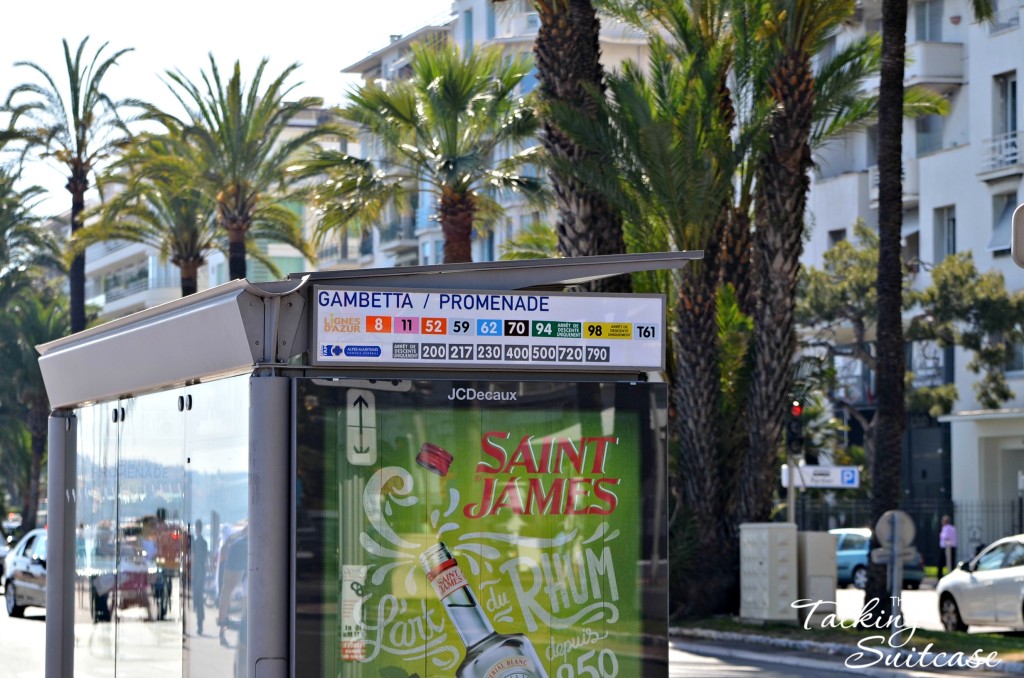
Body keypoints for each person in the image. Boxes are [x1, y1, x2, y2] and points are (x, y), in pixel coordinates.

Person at [192, 519, 209, 635]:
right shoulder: (205, 542)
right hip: (202, 573)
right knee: (199, 597)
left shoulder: (195, 542)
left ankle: (200, 623)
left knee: (197, 598)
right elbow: (206, 559)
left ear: (197, 528)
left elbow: (193, 558)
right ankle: (200, 622)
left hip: (196, 572)